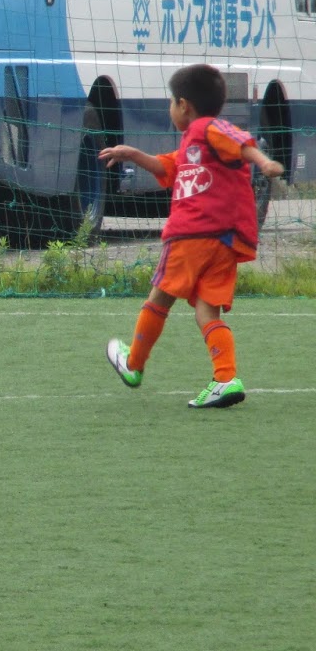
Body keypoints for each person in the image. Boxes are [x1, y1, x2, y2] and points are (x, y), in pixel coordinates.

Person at [101, 62, 284, 407]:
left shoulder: (207, 128)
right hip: (224, 241)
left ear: (183, 105)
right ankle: (226, 379)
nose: (170, 109)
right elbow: (167, 167)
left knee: (159, 298)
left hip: (191, 235)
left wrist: (263, 162)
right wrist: (132, 154)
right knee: (207, 312)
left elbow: (241, 143)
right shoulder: (195, 144)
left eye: (171, 102)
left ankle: (133, 364)